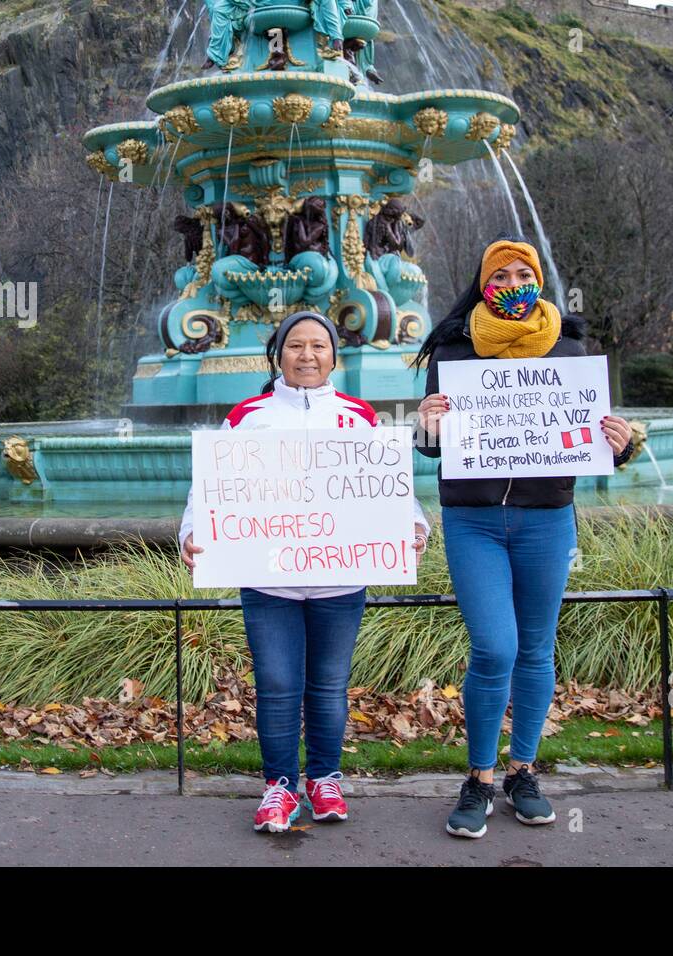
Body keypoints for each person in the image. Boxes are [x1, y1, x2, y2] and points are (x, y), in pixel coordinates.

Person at [413, 236, 637, 838]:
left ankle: (523, 771)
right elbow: (434, 447)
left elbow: (592, 440)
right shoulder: (453, 350)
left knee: (537, 649)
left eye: (524, 273)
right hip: (474, 521)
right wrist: (427, 429)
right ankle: (478, 778)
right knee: (494, 647)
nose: (513, 283)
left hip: (546, 518)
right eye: (501, 275)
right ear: (483, 284)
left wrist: (621, 445)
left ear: (538, 279)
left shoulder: (568, 348)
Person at [180, 310, 430, 832]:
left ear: (334, 355)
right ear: (279, 354)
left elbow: (388, 487)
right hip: (268, 578)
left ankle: (323, 779)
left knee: (329, 684)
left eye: (319, 345)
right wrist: (191, 533)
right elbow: (208, 489)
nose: (308, 355)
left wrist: (415, 528)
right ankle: (279, 787)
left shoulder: (360, 416)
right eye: (297, 345)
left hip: (340, 578)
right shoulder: (248, 415)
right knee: (275, 684)